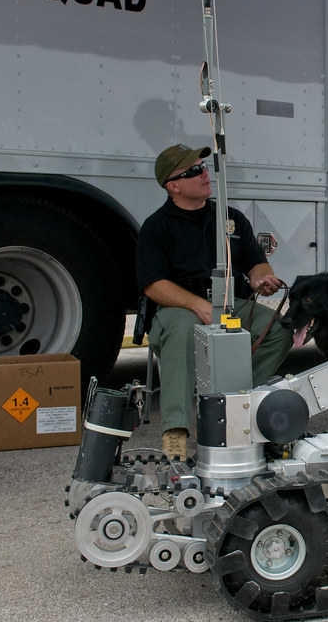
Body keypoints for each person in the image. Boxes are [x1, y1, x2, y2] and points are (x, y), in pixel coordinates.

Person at [135, 144, 293, 459]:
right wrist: (198, 306)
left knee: (280, 330)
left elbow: (256, 263)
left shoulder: (230, 218)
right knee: (182, 333)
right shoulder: (157, 226)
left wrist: (261, 280)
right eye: (194, 171)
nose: (204, 174)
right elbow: (154, 285)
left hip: (230, 302)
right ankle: (176, 432)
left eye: (203, 167)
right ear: (173, 185)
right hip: (180, 307)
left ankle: (233, 406)